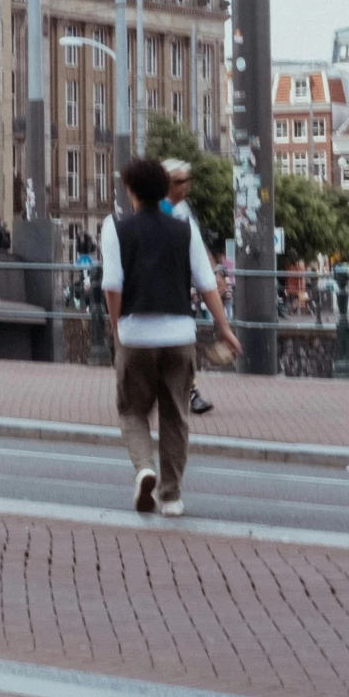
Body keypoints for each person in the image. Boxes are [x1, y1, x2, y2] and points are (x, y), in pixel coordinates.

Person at [102, 158, 239, 516]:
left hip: (135, 334)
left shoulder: (114, 228)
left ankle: (145, 468)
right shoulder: (184, 228)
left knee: (132, 410)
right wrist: (224, 328)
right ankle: (172, 497)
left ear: (130, 190)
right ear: (164, 189)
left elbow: (112, 287)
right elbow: (207, 284)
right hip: (179, 334)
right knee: (175, 416)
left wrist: (117, 330)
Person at [159, 160, 216, 417]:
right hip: (161, 285)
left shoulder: (183, 209)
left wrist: (214, 272)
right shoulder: (158, 209)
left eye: (186, 180)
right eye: (180, 181)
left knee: (179, 341)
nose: (186, 186)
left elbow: (196, 243)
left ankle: (187, 391)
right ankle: (184, 392)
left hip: (179, 285)